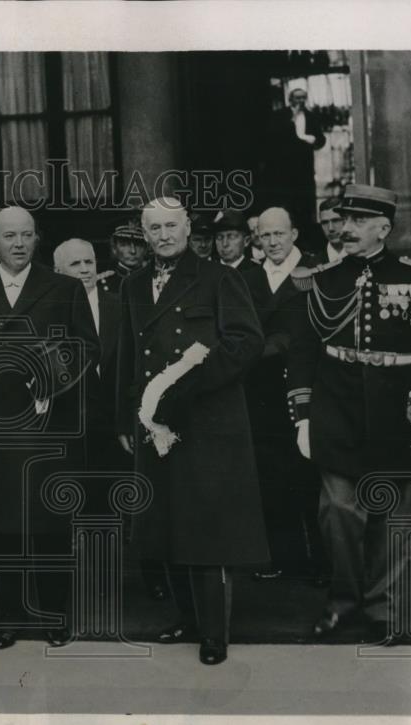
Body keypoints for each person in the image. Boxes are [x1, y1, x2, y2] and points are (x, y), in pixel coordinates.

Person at [286, 184, 411, 641]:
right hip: (334, 407)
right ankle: (342, 601)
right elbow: (301, 348)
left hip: (395, 411)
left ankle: (381, 604)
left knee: (389, 513)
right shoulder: (322, 278)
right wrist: (303, 414)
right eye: (344, 220)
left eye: (359, 222)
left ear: (384, 227)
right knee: (338, 510)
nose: (347, 229)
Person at [116, 197, 268, 665]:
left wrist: (183, 390)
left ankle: (214, 633)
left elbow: (245, 343)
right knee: (165, 525)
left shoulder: (221, 278)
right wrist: (128, 417)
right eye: (154, 228)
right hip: (154, 426)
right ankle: (186, 619)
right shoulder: (133, 285)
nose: (163, 235)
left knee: (206, 530)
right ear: (145, 235)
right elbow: (127, 353)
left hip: (208, 424)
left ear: (188, 230)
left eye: (171, 226)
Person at [0, 207, 100, 650]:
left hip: (49, 427)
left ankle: (55, 615)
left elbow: (86, 347)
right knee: (5, 526)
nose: (17, 244)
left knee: (52, 525)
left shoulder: (64, 288)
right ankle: (10, 617)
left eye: (26, 235)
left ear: (37, 240)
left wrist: (46, 380)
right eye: (8, 236)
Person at [53, 238, 168, 601]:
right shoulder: (50, 309)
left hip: (119, 423)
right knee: (76, 504)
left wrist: (129, 419)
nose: (86, 269)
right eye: (75, 264)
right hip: (71, 424)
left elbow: (137, 364)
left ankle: (154, 580)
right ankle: (83, 585)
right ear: (58, 271)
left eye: (89, 261)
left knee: (135, 500)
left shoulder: (120, 305)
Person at [243, 207, 327, 583]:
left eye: (279, 234)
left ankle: (323, 564)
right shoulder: (245, 278)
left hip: (307, 391)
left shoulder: (318, 272)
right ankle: (285, 560)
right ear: (257, 239)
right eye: (265, 235)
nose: (273, 242)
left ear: (294, 234)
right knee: (271, 478)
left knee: (311, 478)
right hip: (259, 394)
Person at [261, 88, 327, 237]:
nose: (301, 101)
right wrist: (291, 121)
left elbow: (321, 139)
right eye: (297, 98)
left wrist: (314, 139)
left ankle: (305, 236)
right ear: (290, 100)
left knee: (305, 205)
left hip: (304, 170)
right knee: (286, 204)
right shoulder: (280, 115)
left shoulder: (311, 116)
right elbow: (272, 137)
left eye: (303, 98)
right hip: (283, 170)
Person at [98, 220, 150, 294]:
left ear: (146, 248)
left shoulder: (155, 280)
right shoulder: (102, 283)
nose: (133, 251)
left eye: (138, 244)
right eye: (125, 244)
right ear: (114, 248)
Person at [213, 209, 261, 275]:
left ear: (246, 241)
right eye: (219, 237)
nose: (225, 244)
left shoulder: (257, 272)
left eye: (231, 237)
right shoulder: (208, 271)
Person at [318, 197, 347, 263]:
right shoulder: (312, 265)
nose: (330, 228)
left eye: (336, 221)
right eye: (325, 222)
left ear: (346, 220)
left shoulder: (363, 258)